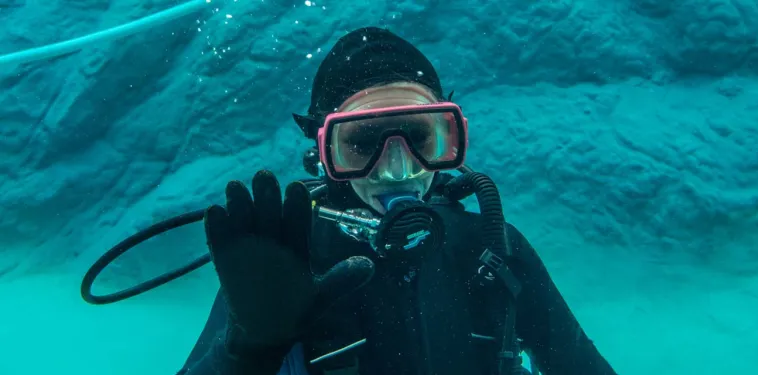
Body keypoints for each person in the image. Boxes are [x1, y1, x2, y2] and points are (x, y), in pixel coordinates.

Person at [177, 27, 618, 375]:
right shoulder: (290, 261)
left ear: (450, 139)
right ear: (323, 157)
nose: (397, 169)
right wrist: (244, 352)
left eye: (422, 138)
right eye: (362, 143)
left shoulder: (492, 249)